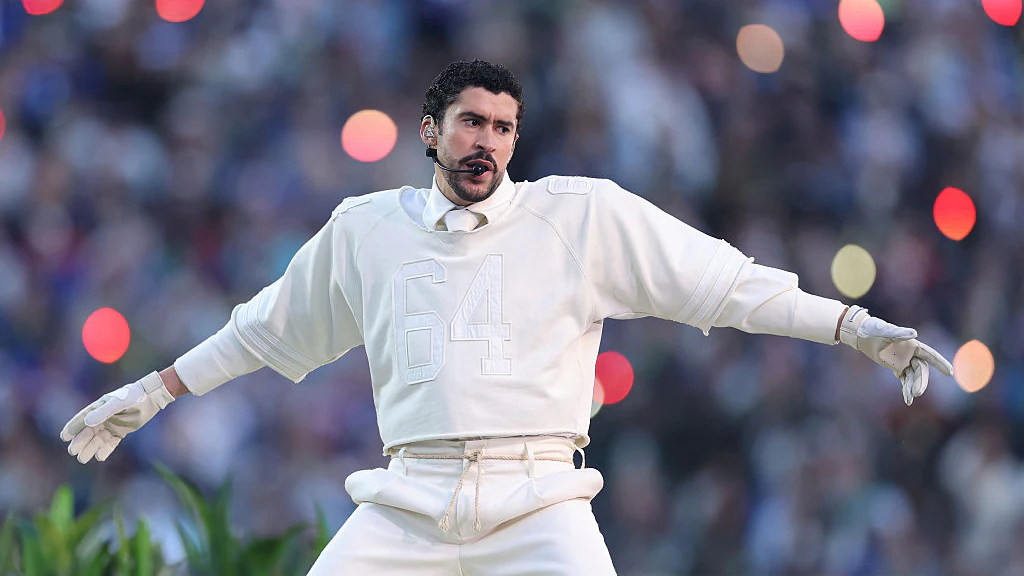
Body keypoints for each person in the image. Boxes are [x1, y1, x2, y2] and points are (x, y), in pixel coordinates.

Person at [60, 60, 953, 575]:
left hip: (540, 501)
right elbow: (264, 330)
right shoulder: (364, 229)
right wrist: (154, 387)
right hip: (405, 501)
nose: (487, 140)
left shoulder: (580, 215)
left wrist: (850, 326)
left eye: (503, 127)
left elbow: (723, 285)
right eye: (470, 122)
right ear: (428, 130)